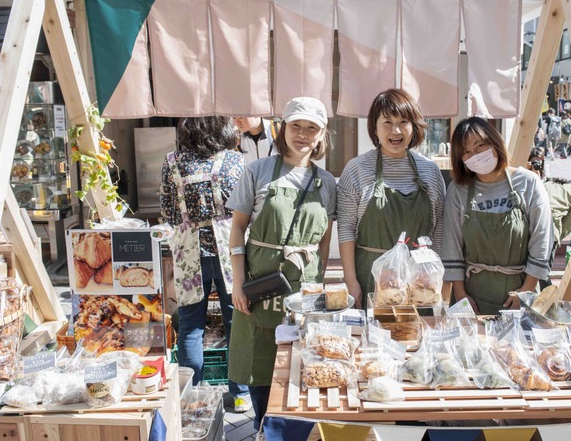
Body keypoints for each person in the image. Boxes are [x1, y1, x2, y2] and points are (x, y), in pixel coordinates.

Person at [226, 97, 337, 430]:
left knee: (305, 368)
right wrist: (237, 283)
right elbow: (237, 227)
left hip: (305, 290)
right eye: (296, 126)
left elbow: (324, 238)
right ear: (283, 128)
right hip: (260, 286)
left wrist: (322, 283)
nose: (302, 134)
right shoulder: (256, 171)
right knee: (261, 372)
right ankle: (262, 430)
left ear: (321, 135)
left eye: (311, 128)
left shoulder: (328, 182)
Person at [159, 116, 251, 410]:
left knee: (190, 326)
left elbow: (170, 212)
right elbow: (247, 207)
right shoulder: (236, 161)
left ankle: (191, 398)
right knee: (236, 322)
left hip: (189, 250)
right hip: (229, 248)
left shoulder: (173, 161)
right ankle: (240, 395)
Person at [337, 88, 446, 309]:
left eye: (403, 122)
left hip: (420, 281)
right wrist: (351, 281)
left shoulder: (430, 171)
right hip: (371, 278)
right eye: (387, 122)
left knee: (415, 340)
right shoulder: (357, 169)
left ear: (413, 127)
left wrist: (437, 280)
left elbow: (440, 229)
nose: (395, 131)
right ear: (374, 128)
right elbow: (346, 227)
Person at [442, 117, 552, 315]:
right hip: (472, 294)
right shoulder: (458, 190)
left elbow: (541, 239)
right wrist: (460, 295)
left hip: (519, 292)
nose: (474, 155)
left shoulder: (528, 183)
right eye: (466, 152)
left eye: (480, 146)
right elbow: (452, 245)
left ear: (495, 142)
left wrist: (525, 291)